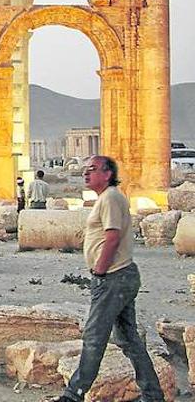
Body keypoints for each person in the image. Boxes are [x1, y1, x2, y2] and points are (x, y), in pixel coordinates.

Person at [50, 155, 164, 402]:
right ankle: (153, 394)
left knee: (94, 337)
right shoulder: (107, 198)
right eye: (85, 169)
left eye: (92, 169)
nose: (86, 173)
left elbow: (112, 237)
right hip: (121, 277)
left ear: (108, 173)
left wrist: (100, 270)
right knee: (128, 339)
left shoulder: (111, 197)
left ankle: (73, 394)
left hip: (113, 277)